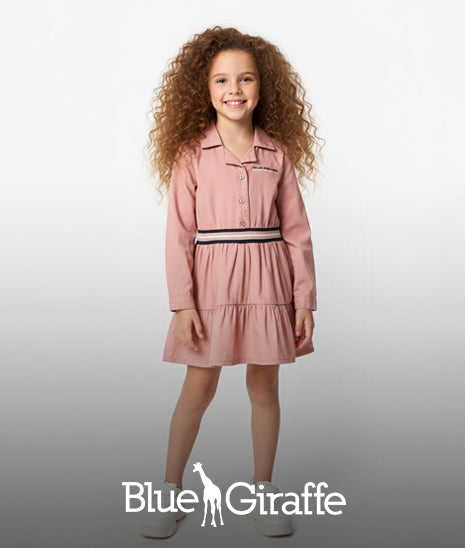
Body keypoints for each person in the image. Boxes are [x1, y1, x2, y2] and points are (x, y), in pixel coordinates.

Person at [141, 25, 324, 539]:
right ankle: (170, 491)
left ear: (264, 87)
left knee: (264, 386)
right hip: (211, 287)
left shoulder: (277, 155)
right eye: (221, 80)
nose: (234, 89)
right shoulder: (191, 155)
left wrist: (304, 300)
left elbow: (298, 233)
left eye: (245, 78)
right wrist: (182, 303)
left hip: (269, 284)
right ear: (203, 89)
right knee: (198, 386)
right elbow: (179, 235)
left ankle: (263, 490)